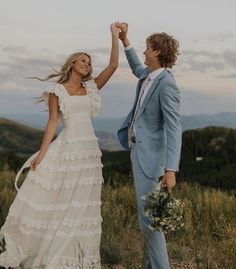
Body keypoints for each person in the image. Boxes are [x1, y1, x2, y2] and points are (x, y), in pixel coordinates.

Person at [0, 23, 120, 269]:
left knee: (83, 204)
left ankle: (76, 254)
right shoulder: (57, 90)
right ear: (71, 64)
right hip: (68, 150)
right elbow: (52, 123)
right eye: (82, 60)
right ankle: (48, 249)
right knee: (61, 199)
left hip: (89, 153)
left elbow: (114, 65)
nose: (86, 64)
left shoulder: (92, 88)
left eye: (88, 61)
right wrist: (41, 155)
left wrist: (115, 36)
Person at [117, 23, 182, 269]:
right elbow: (136, 68)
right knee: (146, 218)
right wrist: (125, 41)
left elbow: (175, 128)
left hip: (151, 159)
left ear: (156, 52)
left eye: (147, 48)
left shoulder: (167, 84)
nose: (144, 52)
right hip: (138, 152)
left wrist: (170, 170)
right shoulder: (149, 74)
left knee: (151, 220)